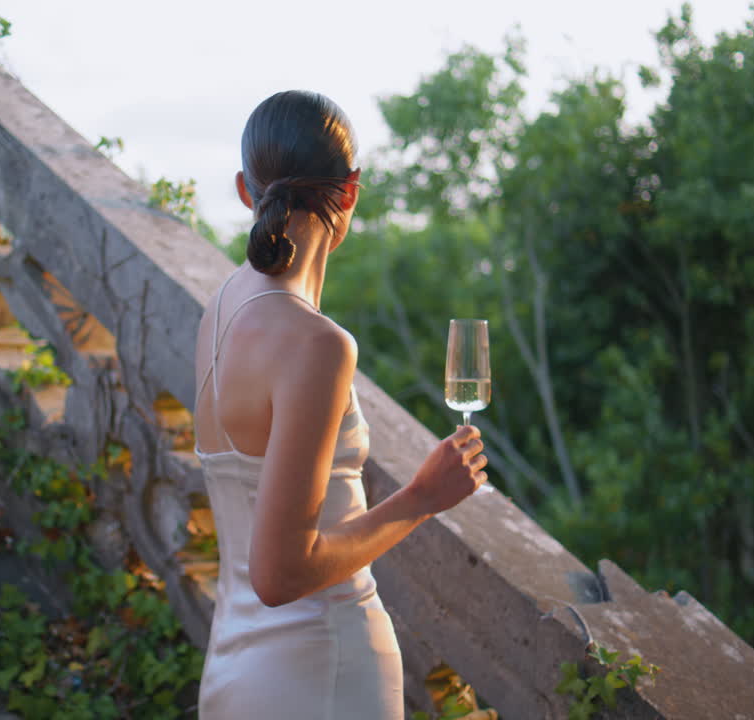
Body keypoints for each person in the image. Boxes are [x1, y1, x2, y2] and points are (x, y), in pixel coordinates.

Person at [192, 90, 489, 719]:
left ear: (246, 191)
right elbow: (280, 575)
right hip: (320, 670)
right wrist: (423, 497)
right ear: (350, 191)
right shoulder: (318, 345)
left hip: (233, 671)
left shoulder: (219, 308)